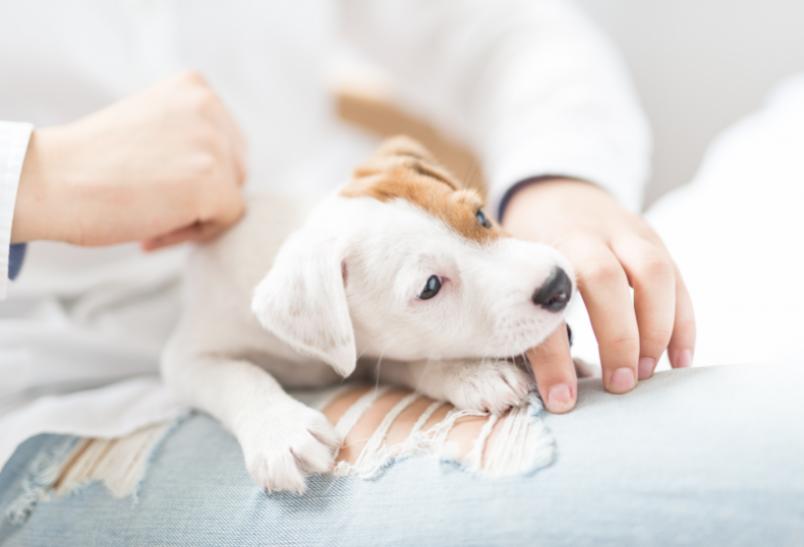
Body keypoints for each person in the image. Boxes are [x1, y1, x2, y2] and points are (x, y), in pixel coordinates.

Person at [15, 1, 804, 545]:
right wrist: (27, 180)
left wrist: (557, 178)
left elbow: (499, 30)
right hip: (72, 402)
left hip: (362, 282)